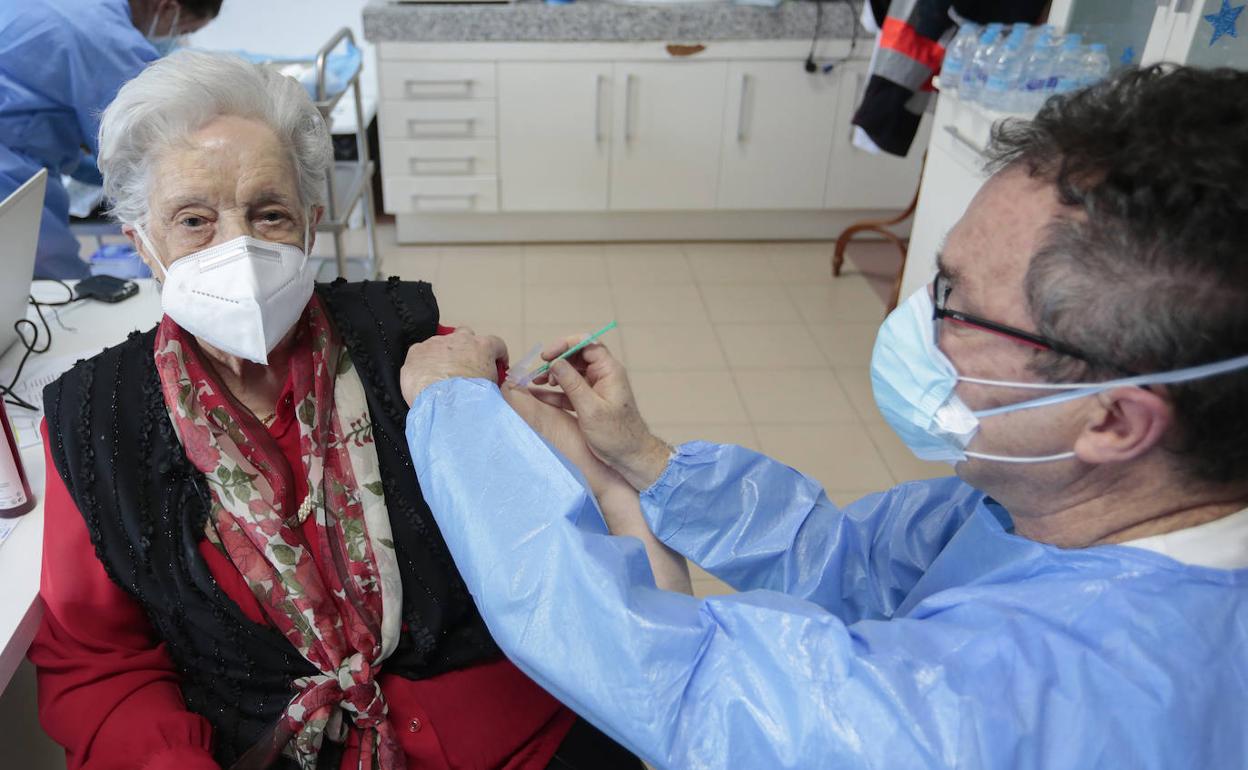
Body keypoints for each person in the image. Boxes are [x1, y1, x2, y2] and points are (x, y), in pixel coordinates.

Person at [396, 65, 1248, 769]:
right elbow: (856, 566)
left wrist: (454, 414)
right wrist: (651, 462)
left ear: (1115, 421)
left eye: (955, 304)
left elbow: (686, 683)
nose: (911, 318)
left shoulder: (1019, 712)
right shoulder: (1046, 506)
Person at [28, 51, 688, 770]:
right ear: (142, 244)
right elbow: (100, 661)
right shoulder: (99, 425)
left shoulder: (415, 350)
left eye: (268, 213)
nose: (238, 248)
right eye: (193, 220)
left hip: (523, 740)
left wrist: (619, 448)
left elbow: (594, 514)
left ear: (311, 226)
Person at [0, 0, 221, 280]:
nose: (172, 39)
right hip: (9, 178)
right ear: (167, 8)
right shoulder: (108, 43)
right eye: (180, 29)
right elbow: (146, 153)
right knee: (52, 292)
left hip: (19, 164)